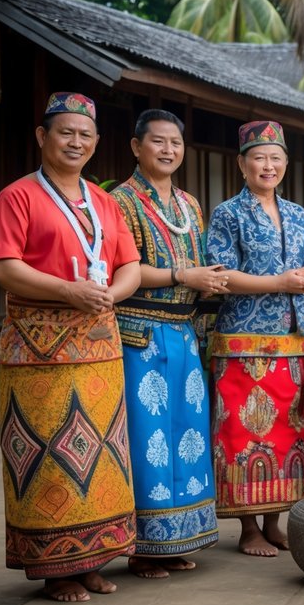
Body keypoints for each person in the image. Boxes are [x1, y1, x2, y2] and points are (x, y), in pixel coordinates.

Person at [0, 92, 141, 601]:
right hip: (37, 350)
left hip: (99, 343)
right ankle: (57, 568)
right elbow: (0, 266)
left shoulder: (104, 200)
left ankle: (94, 558)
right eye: (65, 132)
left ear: (96, 143)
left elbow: (129, 266)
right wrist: (67, 291)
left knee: (100, 452)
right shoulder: (18, 196)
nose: (76, 142)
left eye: (85, 135)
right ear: (42, 137)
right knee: (48, 453)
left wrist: (107, 296)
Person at [111, 109, 224, 579]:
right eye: (158, 142)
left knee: (187, 433)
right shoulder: (120, 201)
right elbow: (127, 270)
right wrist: (183, 275)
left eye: (175, 143)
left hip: (183, 333)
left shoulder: (190, 204)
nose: (168, 150)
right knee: (147, 436)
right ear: (136, 146)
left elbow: (195, 263)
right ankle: (143, 547)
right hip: (141, 331)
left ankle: (177, 537)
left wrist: (206, 284)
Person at [206, 121, 304, 557]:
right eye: (259, 158)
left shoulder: (296, 213)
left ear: (286, 164)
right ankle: (248, 528)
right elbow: (220, 276)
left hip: (292, 339)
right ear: (242, 164)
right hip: (242, 339)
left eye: (276, 158)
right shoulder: (227, 214)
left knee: (286, 431)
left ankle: (275, 521)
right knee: (242, 433)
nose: (268, 166)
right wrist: (279, 281)